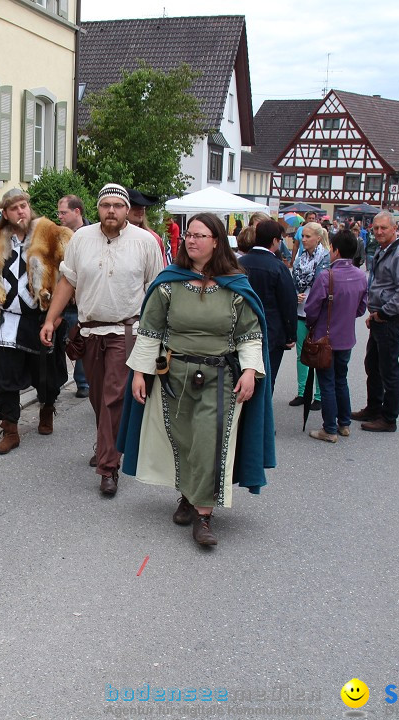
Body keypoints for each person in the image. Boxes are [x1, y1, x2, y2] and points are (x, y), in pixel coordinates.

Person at [117, 212, 276, 547]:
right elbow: (149, 331)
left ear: (216, 241)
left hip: (220, 378)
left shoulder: (235, 286)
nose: (191, 240)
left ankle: (204, 516)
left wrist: (250, 371)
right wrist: (140, 374)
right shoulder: (169, 283)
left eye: (200, 235)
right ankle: (188, 496)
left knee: (208, 440)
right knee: (184, 440)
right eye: (189, 234)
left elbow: (249, 333)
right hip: (172, 377)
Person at [40, 184, 163, 496]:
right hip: (89, 331)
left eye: (118, 206)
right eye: (106, 205)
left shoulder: (145, 242)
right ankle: (108, 442)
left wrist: (156, 336)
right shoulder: (81, 238)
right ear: (97, 208)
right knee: (98, 397)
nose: (111, 211)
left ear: (127, 210)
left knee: (113, 397)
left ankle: (109, 467)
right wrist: (51, 319)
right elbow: (68, 280)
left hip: (126, 332)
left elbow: (157, 292)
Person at [0, 188, 71, 454]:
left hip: (42, 319)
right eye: (15, 208)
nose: (21, 211)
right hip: (5, 321)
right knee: (4, 377)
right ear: (5, 213)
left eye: (24, 206)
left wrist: (59, 314)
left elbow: (71, 277)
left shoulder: (52, 236)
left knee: (46, 375)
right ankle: (10, 429)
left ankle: (47, 408)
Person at [304, 229, 369, 442]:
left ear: (337, 250)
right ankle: (344, 423)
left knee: (327, 382)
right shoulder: (361, 276)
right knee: (341, 379)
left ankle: (329, 428)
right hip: (347, 337)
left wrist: (313, 325)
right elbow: (361, 309)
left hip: (326, 337)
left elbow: (312, 308)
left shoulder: (327, 276)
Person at [351, 211, 399, 432]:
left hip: (389, 319)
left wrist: (383, 313)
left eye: (383, 228)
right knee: (373, 365)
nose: (378, 232)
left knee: (388, 370)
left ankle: (388, 418)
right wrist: (374, 313)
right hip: (379, 317)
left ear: (395, 229)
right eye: (376, 228)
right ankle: (374, 407)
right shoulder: (383, 250)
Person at [239, 220, 296, 392]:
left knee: (241, 376)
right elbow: (288, 302)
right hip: (271, 331)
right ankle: (262, 417)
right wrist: (290, 335)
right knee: (266, 381)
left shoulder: (239, 263)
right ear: (275, 241)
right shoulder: (278, 267)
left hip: (241, 328)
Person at [289, 222, 330, 409]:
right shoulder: (300, 259)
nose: (303, 240)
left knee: (320, 352)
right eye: (302, 236)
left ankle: (320, 396)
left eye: (307, 236)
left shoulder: (326, 258)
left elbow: (324, 285)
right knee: (301, 354)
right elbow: (293, 282)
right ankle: (302, 392)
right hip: (300, 310)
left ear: (318, 238)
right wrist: (294, 293)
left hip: (319, 313)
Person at [57, 194, 91, 398]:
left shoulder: (93, 234)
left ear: (77, 212)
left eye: (63, 212)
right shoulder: (57, 234)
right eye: (59, 212)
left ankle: (83, 383)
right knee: (58, 342)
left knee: (82, 342)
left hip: (86, 300)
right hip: (63, 300)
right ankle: (57, 381)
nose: (59, 216)